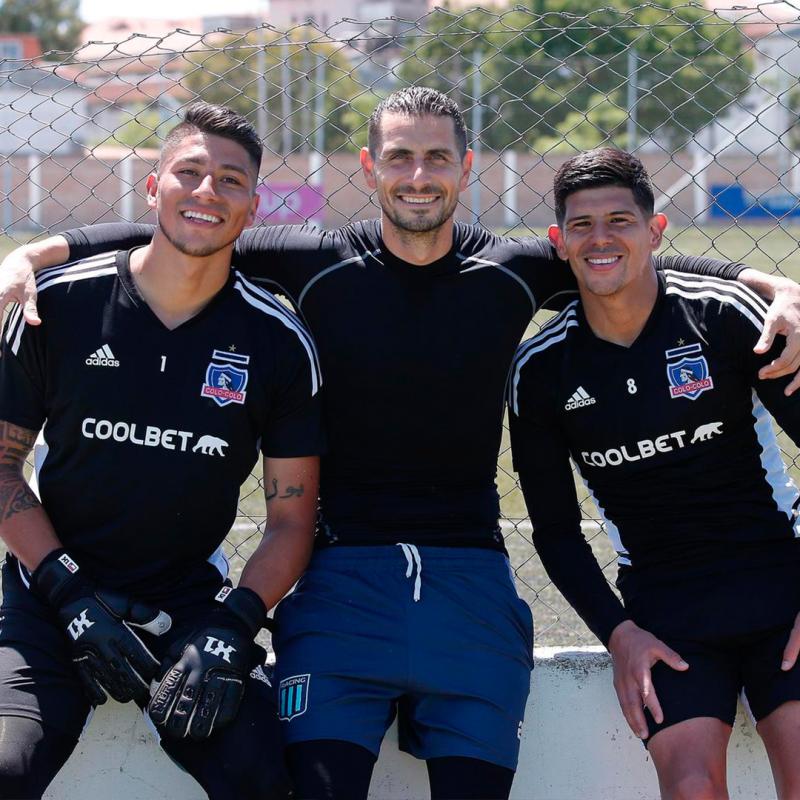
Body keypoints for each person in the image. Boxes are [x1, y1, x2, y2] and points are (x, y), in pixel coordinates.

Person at [3, 87, 800, 800]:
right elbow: (181, 231)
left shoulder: (515, 267)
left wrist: (778, 285)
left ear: (465, 166)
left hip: (471, 575)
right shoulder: (311, 262)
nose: (418, 175)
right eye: (399, 157)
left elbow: (629, 254)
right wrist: (36, 252)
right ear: (370, 166)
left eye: (436, 158)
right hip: (343, 570)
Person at [0, 101, 324, 800]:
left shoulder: (277, 342)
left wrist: (236, 625)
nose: (208, 192)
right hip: (49, 595)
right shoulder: (54, 306)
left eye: (230, 180)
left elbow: (293, 520)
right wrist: (68, 595)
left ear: (252, 205)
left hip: (187, 605)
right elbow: (1, 467)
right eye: (190, 172)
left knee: (264, 779)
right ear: (153, 187)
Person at [508, 147, 800, 799]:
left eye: (620, 220)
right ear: (559, 242)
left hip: (782, 580)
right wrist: (619, 636)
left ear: (655, 231)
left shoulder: (723, 315)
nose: (601, 239)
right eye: (582, 226)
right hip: (668, 607)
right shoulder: (541, 370)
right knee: (692, 788)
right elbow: (555, 532)